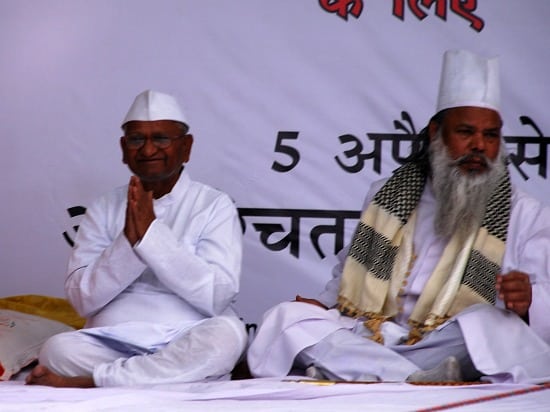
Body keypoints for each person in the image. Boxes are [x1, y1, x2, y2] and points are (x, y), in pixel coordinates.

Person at [247, 50, 550, 384]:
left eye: (490, 135)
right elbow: (347, 275)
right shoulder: (388, 196)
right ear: (436, 133)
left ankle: (361, 370)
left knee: (492, 323)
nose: (478, 145)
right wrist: (321, 305)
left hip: (453, 341)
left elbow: (540, 306)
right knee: (285, 317)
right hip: (373, 333)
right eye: (465, 132)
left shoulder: (523, 213)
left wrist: (530, 301)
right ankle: (413, 377)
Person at [26, 90, 247, 387]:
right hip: (112, 340)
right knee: (58, 350)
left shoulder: (213, 205)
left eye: (161, 139)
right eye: (136, 139)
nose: (147, 150)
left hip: (186, 333)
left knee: (227, 337)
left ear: (186, 147)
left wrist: (150, 236)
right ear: (123, 147)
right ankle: (164, 377)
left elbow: (217, 297)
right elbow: (82, 300)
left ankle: (92, 382)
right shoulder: (104, 207)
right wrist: (128, 245)